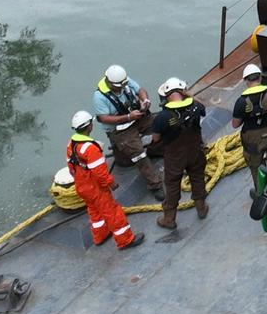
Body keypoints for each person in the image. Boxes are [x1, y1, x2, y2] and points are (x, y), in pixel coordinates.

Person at [67, 111, 139, 250]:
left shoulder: (71, 145)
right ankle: (125, 240)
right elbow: (100, 173)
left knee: (94, 211)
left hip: (82, 187)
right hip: (95, 189)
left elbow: (71, 168)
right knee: (112, 212)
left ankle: (100, 235)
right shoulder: (91, 148)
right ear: (90, 126)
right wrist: (111, 183)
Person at [151, 79, 210, 230]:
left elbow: (155, 139)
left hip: (175, 157)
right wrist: (189, 95)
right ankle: (201, 208)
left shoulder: (162, 117)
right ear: (183, 92)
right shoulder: (196, 107)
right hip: (195, 151)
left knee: (172, 185)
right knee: (197, 178)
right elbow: (202, 107)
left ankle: (169, 219)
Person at [93, 65, 161, 193]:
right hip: (119, 129)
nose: (123, 88)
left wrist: (145, 100)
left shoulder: (124, 81)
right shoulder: (99, 97)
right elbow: (104, 118)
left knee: (160, 124)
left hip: (136, 117)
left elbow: (140, 89)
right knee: (138, 154)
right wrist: (128, 117)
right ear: (110, 83)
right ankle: (155, 183)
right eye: (119, 86)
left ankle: (156, 149)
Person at [231, 64, 267, 207]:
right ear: (260, 77)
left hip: (252, 138)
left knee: (255, 166)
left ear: (245, 81)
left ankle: (260, 193)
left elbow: (235, 124)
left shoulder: (241, 102)